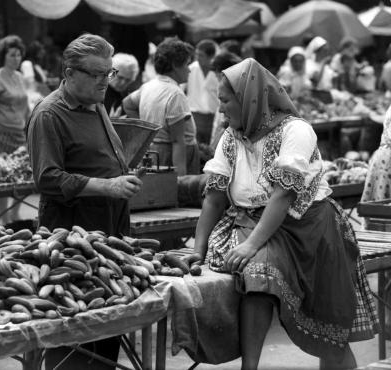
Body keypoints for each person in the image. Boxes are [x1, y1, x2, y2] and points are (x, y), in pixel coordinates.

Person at [193, 58, 378, 370]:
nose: (221, 110)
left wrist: (251, 245)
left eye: (225, 101)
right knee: (257, 276)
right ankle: (248, 368)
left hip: (308, 228)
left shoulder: (296, 131)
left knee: (329, 329)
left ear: (248, 99)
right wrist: (196, 251)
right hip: (252, 223)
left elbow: (283, 195)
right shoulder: (230, 138)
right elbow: (213, 199)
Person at [26, 33, 143, 370]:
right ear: (69, 73)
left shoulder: (96, 104)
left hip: (109, 236)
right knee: (74, 332)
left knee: (106, 332)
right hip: (71, 240)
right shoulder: (50, 114)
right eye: (95, 74)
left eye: (108, 73)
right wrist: (107, 186)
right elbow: (47, 178)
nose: (104, 81)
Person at [123, 37, 199, 176]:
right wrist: (180, 179)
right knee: (175, 195)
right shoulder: (175, 94)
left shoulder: (149, 86)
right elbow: (177, 141)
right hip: (174, 155)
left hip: (153, 151)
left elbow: (128, 103)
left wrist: (145, 130)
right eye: (187, 64)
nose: (189, 70)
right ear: (175, 65)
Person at [0, 35, 29, 225]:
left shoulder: (20, 77)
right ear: (2, 56)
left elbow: (26, 106)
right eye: (12, 55)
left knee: (20, 176)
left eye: (18, 55)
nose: (16, 59)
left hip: (18, 132)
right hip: (0, 133)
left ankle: (14, 216)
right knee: (1, 178)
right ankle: (2, 218)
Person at [186, 38, 219, 145]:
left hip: (213, 117)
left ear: (211, 57)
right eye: (196, 55)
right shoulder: (190, 69)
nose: (197, 58)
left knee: (212, 151)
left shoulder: (219, 72)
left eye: (201, 55)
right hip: (194, 116)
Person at [104, 52, 139, 117]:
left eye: (128, 80)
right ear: (111, 73)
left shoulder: (128, 99)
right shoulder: (98, 92)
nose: (123, 83)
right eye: (120, 77)